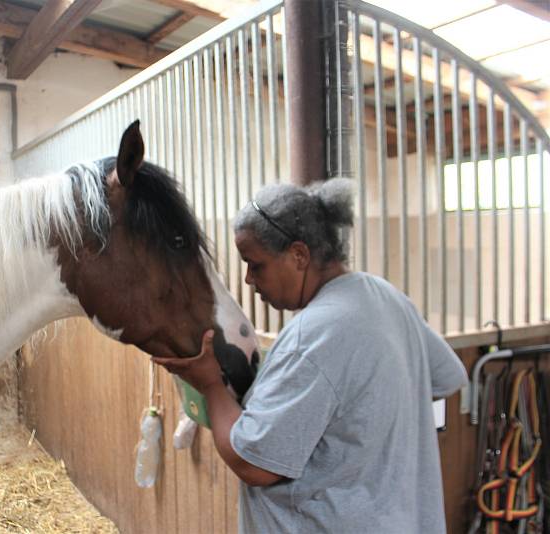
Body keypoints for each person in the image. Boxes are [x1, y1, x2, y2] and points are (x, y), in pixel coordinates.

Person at [152, 178, 468, 533]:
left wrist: (210, 384)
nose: (248, 280)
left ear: (299, 255)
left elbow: (253, 464)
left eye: (256, 265)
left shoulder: (314, 336)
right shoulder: (383, 295)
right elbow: (447, 377)